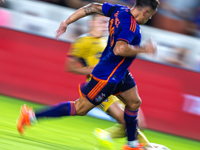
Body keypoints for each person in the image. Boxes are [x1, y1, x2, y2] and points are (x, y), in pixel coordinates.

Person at [17, 1, 159, 150]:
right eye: (150, 16)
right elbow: (120, 49)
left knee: (135, 102)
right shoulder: (131, 26)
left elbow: (92, 7)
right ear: (145, 11)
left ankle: (132, 145)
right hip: (107, 76)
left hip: (120, 73)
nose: (148, 19)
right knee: (80, 108)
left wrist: (67, 21)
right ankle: (31, 116)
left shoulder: (119, 10)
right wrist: (144, 49)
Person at [66, 13, 149, 150]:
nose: (104, 25)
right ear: (92, 23)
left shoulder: (110, 40)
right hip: (101, 86)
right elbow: (71, 66)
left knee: (141, 124)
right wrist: (91, 70)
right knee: (127, 121)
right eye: (101, 22)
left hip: (118, 81)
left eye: (106, 22)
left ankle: (106, 135)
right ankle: (144, 146)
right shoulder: (84, 41)